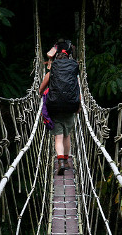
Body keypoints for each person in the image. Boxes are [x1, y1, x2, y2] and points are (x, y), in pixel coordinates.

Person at [39, 39, 80, 175]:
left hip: (54, 107)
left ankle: (60, 161)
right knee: (67, 135)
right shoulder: (74, 68)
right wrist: (78, 106)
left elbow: (41, 89)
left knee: (58, 137)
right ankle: (67, 161)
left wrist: (42, 94)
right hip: (70, 107)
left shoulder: (53, 69)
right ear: (69, 55)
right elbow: (77, 89)